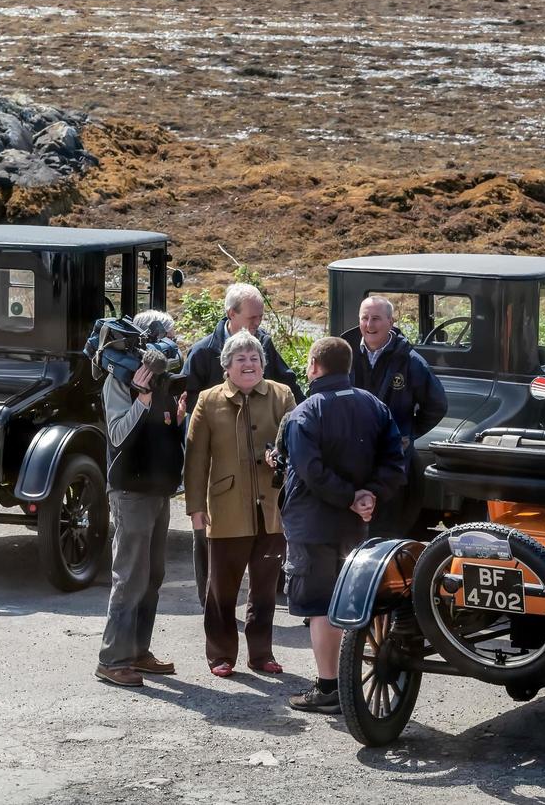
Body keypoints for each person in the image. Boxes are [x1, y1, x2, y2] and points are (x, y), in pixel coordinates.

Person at [280, 336, 406, 714]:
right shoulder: (375, 406)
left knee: (320, 606)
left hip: (313, 522)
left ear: (315, 367)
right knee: (351, 600)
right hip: (354, 523)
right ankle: (344, 680)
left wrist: (350, 496)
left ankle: (329, 685)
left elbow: (310, 470)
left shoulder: (306, 412)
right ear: (348, 367)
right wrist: (369, 494)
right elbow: (395, 462)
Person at [181, 282, 305, 605]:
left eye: (261, 317)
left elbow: (285, 389)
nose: (258, 324)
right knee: (210, 541)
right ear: (230, 314)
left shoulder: (263, 344)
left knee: (263, 539)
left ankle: (263, 601)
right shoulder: (203, 352)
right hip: (219, 463)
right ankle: (210, 598)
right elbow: (191, 418)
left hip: (261, 464)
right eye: (252, 318)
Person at [184, 331, 295, 677]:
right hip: (226, 507)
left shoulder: (282, 394)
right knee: (221, 587)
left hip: (272, 509)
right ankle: (220, 654)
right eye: (241, 359)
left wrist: (282, 457)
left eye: (255, 359)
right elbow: (196, 458)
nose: (249, 365)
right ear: (226, 366)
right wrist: (195, 507)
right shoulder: (207, 400)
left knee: (264, 588)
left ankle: (261, 654)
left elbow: (297, 442)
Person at [96, 309, 186, 688]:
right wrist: (143, 400)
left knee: (153, 575)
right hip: (130, 491)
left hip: (158, 488)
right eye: (167, 336)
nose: (173, 344)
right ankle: (112, 659)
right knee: (130, 575)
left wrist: (176, 420)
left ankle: (138, 652)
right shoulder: (119, 382)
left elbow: (162, 433)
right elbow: (117, 433)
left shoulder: (163, 378)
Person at [340, 296, 447, 537]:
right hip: (350, 463)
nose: (369, 325)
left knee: (386, 534)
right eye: (364, 318)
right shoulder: (343, 355)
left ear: (391, 321)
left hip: (390, 465)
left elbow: (437, 405)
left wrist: (405, 433)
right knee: (348, 538)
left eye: (376, 318)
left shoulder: (410, 362)